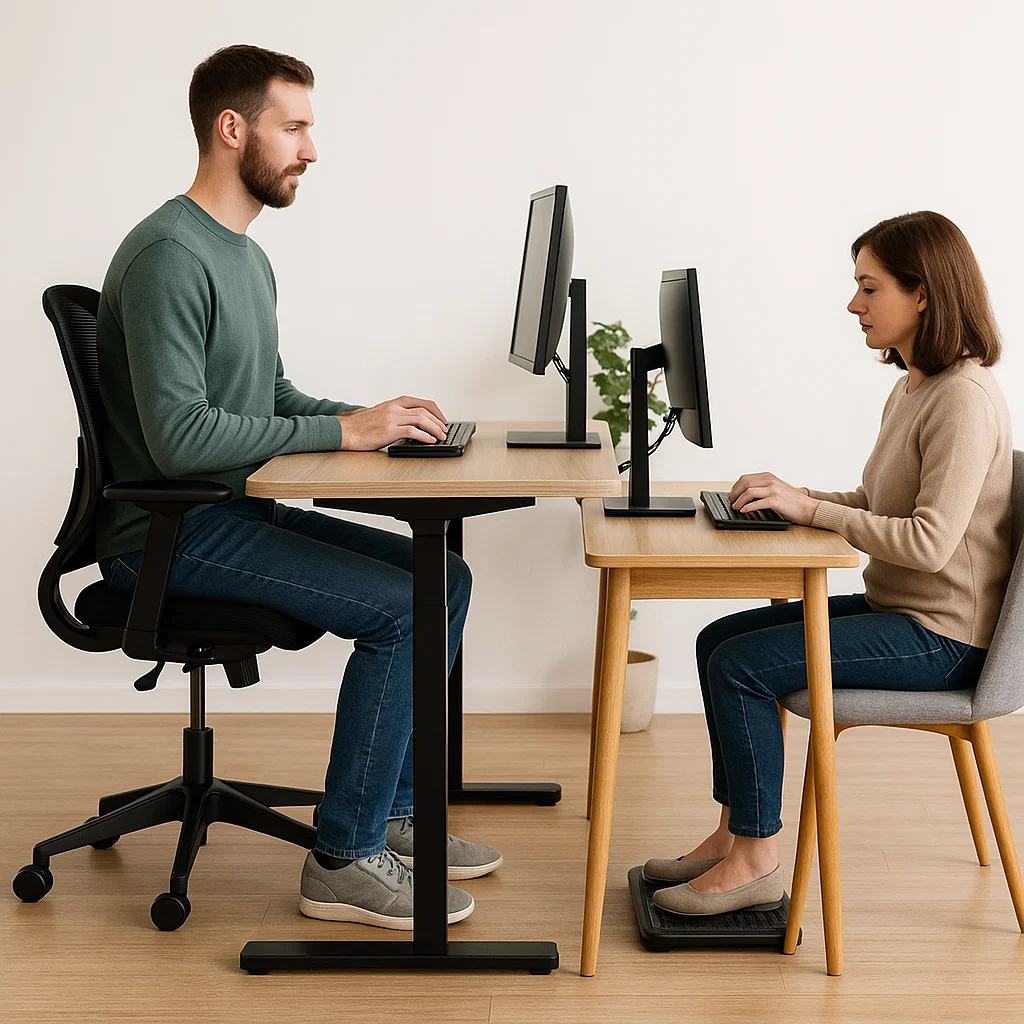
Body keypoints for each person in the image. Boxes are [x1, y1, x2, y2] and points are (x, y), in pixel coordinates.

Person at [95, 44, 503, 930]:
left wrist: (372, 417)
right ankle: (344, 860)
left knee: (446, 579)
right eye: (295, 126)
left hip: (227, 515)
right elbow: (179, 441)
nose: (311, 149)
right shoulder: (171, 253)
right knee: (404, 607)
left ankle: (390, 813)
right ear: (230, 128)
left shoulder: (242, 254)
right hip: (169, 537)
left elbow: (270, 400)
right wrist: (345, 434)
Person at [643, 211, 1014, 916]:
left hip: (944, 641)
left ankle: (757, 859)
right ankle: (732, 833)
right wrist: (798, 496)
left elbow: (929, 541)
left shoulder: (962, 400)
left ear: (924, 294)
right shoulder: (916, 385)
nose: (854, 304)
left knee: (740, 666)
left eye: (869, 288)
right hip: (900, 613)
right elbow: (880, 503)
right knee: (718, 640)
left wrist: (813, 512)